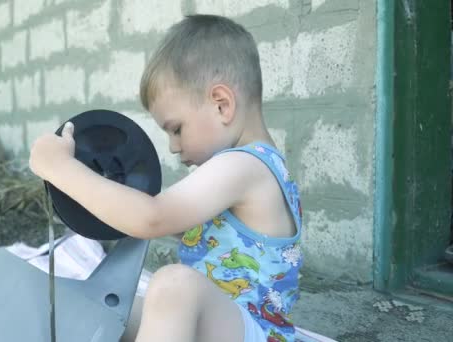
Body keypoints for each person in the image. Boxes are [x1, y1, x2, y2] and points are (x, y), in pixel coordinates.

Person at [29, 14, 303, 342]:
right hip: (217, 325)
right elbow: (158, 219)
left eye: (176, 129)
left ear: (221, 105)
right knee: (95, 310)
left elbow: (152, 218)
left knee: (173, 285)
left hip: (253, 332)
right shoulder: (247, 169)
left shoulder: (242, 166)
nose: (173, 147)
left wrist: (58, 167)